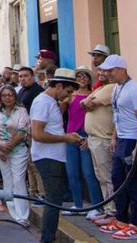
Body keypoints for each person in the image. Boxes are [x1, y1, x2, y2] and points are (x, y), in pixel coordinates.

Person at [30, 68, 85, 243]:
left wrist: (67, 137)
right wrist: (65, 138)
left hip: (53, 157)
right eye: (68, 91)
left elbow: (51, 127)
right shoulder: (43, 102)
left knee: (55, 201)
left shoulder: (50, 102)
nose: (69, 95)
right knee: (53, 202)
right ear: (59, 85)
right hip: (48, 158)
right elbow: (37, 134)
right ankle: (47, 239)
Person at [97, 55, 137, 240]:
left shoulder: (135, 89)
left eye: (111, 70)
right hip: (121, 139)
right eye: (106, 70)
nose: (107, 74)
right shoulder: (117, 88)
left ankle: (136, 223)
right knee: (117, 179)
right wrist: (114, 137)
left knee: (133, 183)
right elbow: (118, 115)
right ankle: (122, 218)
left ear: (122, 69)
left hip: (133, 140)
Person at [61, 67, 104, 219]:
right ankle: (78, 205)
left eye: (85, 76)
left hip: (86, 135)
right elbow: (59, 111)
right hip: (71, 135)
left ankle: (97, 206)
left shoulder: (93, 94)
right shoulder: (70, 96)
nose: (82, 78)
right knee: (72, 172)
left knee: (88, 173)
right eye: (79, 76)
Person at [0, 85, 31, 226]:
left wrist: (8, 147)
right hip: (1, 150)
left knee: (18, 180)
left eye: (10, 95)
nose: (8, 98)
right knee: (7, 180)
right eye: (5, 95)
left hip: (18, 150)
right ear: (0, 98)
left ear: (15, 96)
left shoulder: (21, 111)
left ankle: (22, 216)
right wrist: (0, 146)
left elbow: (22, 131)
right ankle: (13, 214)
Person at [81, 65, 117, 223]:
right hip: (94, 138)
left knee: (107, 176)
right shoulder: (98, 89)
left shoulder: (110, 88)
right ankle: (108, 209)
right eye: (100, 70)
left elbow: (87, 105)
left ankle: (113, 211)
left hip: (104, 138)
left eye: (106, 71)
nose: (102, 73)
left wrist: (88, 101)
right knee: (101, 176)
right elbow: (83, 103)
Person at [18, 66, 46, 201]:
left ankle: (41, 193)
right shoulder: (21, 91)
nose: (23, 79)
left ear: (32, 76)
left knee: (35, 165)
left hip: (34, 130)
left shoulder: (38, 92)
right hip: (24, 132)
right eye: (20, 76)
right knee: (28, 164)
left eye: (25, 76)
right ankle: (33, 192)